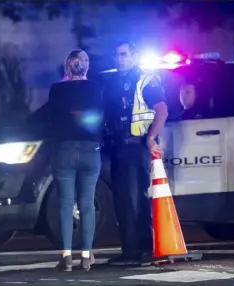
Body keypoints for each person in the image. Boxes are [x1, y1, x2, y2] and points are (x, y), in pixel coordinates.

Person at [102, 41, 168, 265]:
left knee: (135, 200)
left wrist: (150, 137)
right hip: (119, 147)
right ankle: (129, 250)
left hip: (136, 146)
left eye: (124, 55)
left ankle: (143, 250)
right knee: (122, 201)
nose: (119, 59)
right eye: (116, 55)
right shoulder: (114, 81)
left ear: (134, 56)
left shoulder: (145, 80)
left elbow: (162, 110)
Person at [48, 50, 103, 271]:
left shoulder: (57, 89)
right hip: (90, 148)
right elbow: (99, 115)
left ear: (67, 66)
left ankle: (66, 256)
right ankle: (87, 256)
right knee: (87, 203)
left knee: (65, 203)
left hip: (64, 149)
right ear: (86, 67)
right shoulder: (96, 88)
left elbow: (51, 118)